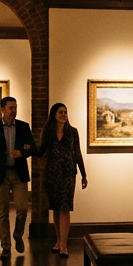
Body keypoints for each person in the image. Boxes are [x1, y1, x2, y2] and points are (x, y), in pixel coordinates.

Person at [0, 96, 34, 259]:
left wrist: (22, 153)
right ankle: (5, 246)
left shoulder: (24, 127)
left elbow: (33, 148)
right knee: (2, 212)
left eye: (15, 108)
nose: (14, 111)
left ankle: (18, 234)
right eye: (11, 108)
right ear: (3, 110)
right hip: (1, 174)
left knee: (22, 210)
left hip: (19, 173)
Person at [34, 102, 88, 257]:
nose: (63, 115)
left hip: (68, 173)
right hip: (52, 173)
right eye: (60, 112)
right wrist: (27, 149)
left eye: (65, 112)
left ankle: (64, 244)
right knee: (56, 208)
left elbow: (77, 153)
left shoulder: (73, 132)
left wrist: (84, 174)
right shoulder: (49, 131)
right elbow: (40, 151)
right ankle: (58, 241)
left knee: (65, 208)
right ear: (54, 115)